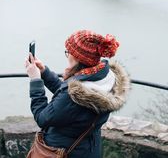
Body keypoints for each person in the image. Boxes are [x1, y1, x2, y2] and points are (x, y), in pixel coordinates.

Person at [25, 29, 132, 158]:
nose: (67, 55)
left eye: (68, 52)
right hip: (89, 149)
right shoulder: (104, 79)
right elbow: (70, 101)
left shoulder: (74, 95)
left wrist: (35, 80)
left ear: (77, 57)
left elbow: (42, 118)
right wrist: (44, 73)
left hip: (63, 151)